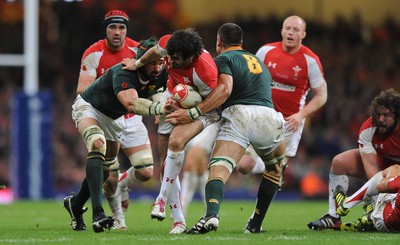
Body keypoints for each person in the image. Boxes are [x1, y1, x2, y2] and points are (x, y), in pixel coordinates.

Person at [165, 22, 286, 234]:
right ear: (241, 42)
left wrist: (193, 112)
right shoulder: (259, 62)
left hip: (240, 114)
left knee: (218, 170)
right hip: (269, 115)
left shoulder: (222, 59)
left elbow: (225, 88)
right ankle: (255, 224)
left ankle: (211, 215)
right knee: (275, 170)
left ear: (219, 42)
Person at [63, 37, 167, 233]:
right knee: (97, 143)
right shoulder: (123, 72)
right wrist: (160, 108)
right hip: (90, 107)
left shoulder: (160, 74)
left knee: (106, 170)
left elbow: (158, 92)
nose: (157, 68)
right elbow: (131, 104)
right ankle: (98, 213)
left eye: (160, 63)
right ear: (142, 60)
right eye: (153, 62)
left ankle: (75, 205)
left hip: (114, 119)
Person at [235, 15, 328, 233]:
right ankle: (272, 169)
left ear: (303, 34)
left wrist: (301, 115)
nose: (291, 33)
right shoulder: (265, 52)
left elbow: (321, 96)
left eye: (296, 29)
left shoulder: (310, 61)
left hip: (290, 124)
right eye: (288, 28)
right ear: (281, 31)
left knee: (274, 173)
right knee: (244, 166)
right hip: (262, 117)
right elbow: (251, 79)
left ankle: (254, 222)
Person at [121, 28, 219, 234]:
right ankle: (179, 222)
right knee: (166, 162)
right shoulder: (168, 44)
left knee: (176, 146)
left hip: (202, 108)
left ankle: (161, 200)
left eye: (176, 59)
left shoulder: (205, 72)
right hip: (171, 95)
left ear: (191, 57)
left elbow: (213, 103)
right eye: (170, 57)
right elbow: (155, 53)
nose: (170, 63)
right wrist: (137, 64)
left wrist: (189, 113)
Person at [308, 88, 400, 230]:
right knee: (339, 162)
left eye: (386, 115)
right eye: (378, 114)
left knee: (395, 169)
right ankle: (333, 216)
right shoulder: (368, 129)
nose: (381, 119)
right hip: (380, 171)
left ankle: (373, 213)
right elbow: (372, 172)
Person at [334, 164, 400, 232]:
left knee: (395, 169)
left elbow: (379, 186)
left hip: (384, 220)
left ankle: (347, 203)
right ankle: (368, 220)